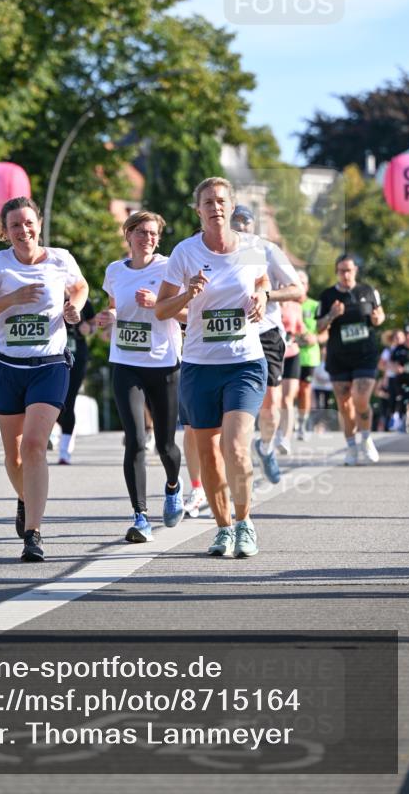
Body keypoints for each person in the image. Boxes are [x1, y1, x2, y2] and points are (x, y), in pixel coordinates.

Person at [0, 196, 88, 562]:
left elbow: (80, 286)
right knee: (14, 453)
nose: (23, 231)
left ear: (39, 224)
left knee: (34, 445)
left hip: (50, 364)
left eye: (29, 223)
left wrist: (75, 306)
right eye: (15, 225)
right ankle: (25, 498)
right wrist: (12, 298)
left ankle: (33, 533)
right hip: (7, 366)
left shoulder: (60, 258)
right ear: (5, 231)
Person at [156, 177, 269, 559]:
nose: (215, 207)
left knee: (236, 446)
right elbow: (162, 309)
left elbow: (263, 282)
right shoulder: (184, 253)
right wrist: (188, 293)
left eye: (221, 200)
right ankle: (222, 529)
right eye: (207, 202)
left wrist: (262, 297)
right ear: (198, 210)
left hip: (244, 363)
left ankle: (244, 522)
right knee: (209, 455)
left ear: (231, 206)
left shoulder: (252, 248)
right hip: (200, 364)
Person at [97, 211, 184, 543]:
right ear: (128, 235)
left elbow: (189, 313)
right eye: (141, 232)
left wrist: (159, 304)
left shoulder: (169, 268)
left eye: (153, 234)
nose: (147, 238)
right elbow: (117, 306)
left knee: (165, 444)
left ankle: (173, 488)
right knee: (135, 440)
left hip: (163, 363)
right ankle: (140, 517)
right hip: (126, 362)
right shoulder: (115, 271)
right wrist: (110, 315)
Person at [230, 204, 303, 483]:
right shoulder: (218, 250)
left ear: (254, 226)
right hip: (233, 333)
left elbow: (297, 290)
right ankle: (240, 457)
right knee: (236, 403)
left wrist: (266, 294)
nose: (241, 228)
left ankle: (266, 446)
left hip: (267, 333)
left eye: (245, 223)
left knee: (271, 404)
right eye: (235, 224)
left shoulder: (267, 250)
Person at [316, 254, 385, 465]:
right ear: (337, 272)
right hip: (339, 357)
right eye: (341, 270)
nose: (346, 274)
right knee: (344, 405)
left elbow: (380, 315)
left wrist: (377, 318)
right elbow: (319, 327)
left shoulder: (368, 291)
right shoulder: (328, 296)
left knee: (360, 398)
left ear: (355, 270)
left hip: (365, 354)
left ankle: (366, 438)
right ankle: (351, 447)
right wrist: (332, 315)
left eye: (349, 270)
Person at [55, 298, 96, 465]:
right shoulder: (49, 293)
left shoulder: (83, 301)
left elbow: (93, 327)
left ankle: (64, 451)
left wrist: (89, 328)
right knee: (51, 401)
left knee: (68, 401)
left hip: (76, 357)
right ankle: (54, 433)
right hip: (52, 357)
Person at [295, 269, 323, 440]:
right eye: (296, 283)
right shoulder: (286, 305)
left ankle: (302, 424)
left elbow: (326, 332)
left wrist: (316, 337)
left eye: (303, 283)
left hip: (309, 355)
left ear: (307, 286)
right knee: (288, 391)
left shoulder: (315, 306)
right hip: (289, 353)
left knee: (304, 390)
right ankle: (288, 424)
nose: (300, 286)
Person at [275, 295, 305, 455]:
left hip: (292, 353)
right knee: (275, 397)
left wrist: (306, 335)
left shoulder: (295, 306)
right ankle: (274, 431)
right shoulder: (269, 300)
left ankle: (285, 437)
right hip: (273, 354)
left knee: (288, 398)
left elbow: (301, 328)